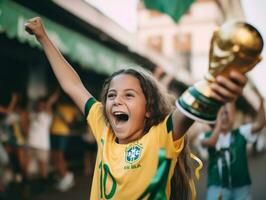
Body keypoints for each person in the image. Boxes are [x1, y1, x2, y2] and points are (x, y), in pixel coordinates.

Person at [24, 17, 247, 200]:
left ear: (149, 109)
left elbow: (188, 110)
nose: (116, 100)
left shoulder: (160, 138)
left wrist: (215, 84)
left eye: (129, 95)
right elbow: (72, 85)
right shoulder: (104, 127)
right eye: (111, 95)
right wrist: (43, 36)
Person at [200, 97, 265, 200]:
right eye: (221, 114)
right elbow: (211, 143)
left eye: (226, 114)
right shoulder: (205, 136)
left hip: (241, 187)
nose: (224, 117)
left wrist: (262, 103)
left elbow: (260, 124)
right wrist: (219, 124)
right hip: (217, 187)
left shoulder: (241, 132)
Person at [27, 90, 59, 185]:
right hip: (31, 144)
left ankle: (43, 187)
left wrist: (55, 94)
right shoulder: (32, 114)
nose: (40, 106)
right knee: (30, 168)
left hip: (42, 145)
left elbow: (49, 104)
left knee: (43, 167)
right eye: (39, 104)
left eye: (42, 104)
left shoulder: (47, 115)